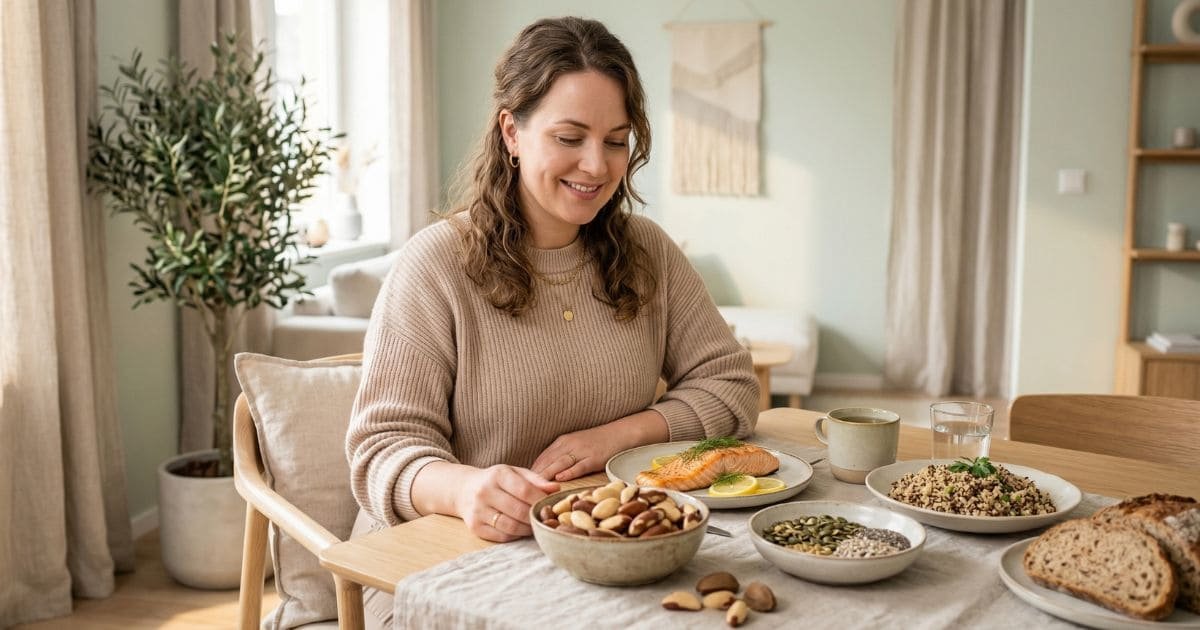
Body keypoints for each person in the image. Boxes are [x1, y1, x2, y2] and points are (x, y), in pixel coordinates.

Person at [346, 16, 757, 624]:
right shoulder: (436, 264)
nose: (596, 166)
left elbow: (734, 389)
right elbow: (381, 450)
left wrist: (621, 434)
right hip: (442, 571)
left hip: (603, 565)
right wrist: (465, 490)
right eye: (570, 137)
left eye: (616, 140)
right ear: (511, 131)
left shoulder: (648, 252)